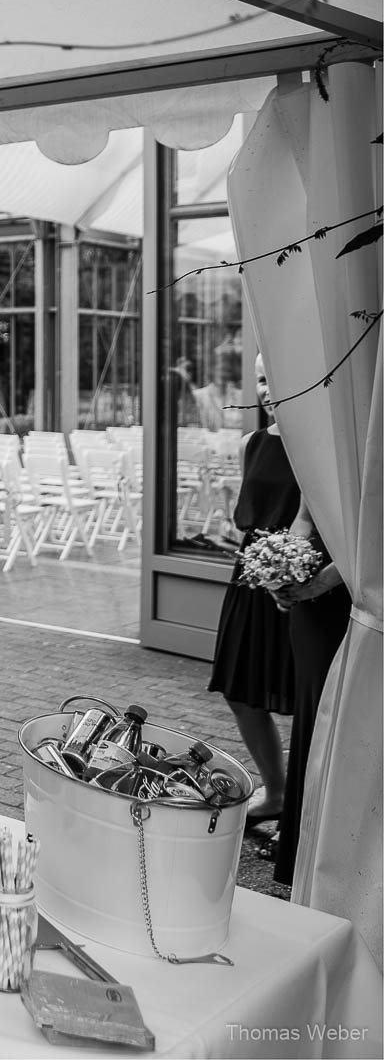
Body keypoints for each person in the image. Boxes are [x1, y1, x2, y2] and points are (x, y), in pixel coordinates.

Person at [206, 358, 295, 830]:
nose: (265, 388)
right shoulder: (252, 443)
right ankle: (276, 790)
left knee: (308, 697)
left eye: (274, 376)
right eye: (261, 378)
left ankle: (301, 803)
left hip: (301, 585)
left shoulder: (323, 446)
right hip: (250, 574)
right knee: (241, 688)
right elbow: (251, 509)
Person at [271, 501, 351, 884]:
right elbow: (305, 515)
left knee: (343, 723)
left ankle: (337, 859)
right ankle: (301, 850)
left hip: (355, 597)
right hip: (311, 605)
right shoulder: (319, 444)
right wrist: (283, 570)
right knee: (311, 718)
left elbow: (370, 544)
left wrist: (317, 583)